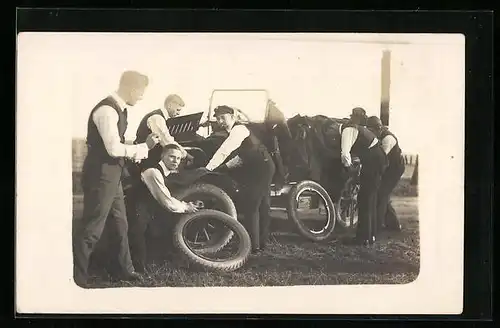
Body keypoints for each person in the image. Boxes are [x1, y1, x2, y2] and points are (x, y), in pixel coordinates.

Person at [73, 70, 161, 287]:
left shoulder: (118, 109)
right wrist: (145, 147)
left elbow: (114, 146)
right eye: (141, 92)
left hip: (112, 174)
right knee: (93, 227)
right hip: (102, 174)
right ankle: (78, 278)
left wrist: (141, 148)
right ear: (131, 89)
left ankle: (124, 270)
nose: (141, 97)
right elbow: (113, 148)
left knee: (120, 224)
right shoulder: (107, 110)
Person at [204, 105, 276, 253]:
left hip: (261, 168)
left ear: (233, 116)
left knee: (253, 206)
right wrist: (224, 168)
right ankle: (261, 243)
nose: (220, 121)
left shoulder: (239, 130)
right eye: (218, 119)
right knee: (262, 205)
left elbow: (225, 151)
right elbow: (241, 156)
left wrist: (208, 169)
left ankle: (252, 246)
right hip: (260, 165)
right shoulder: (236, 130)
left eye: (223, 118)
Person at [129, 144, 199, 273]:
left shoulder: (167, 171)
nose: (175, 161)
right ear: (162, 156)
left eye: (178, 158)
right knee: (138, 238)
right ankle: (138, 269)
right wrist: (185, 206)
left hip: (149, 206)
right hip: (135, 207)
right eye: (171, 157)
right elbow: (166, 201)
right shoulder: (153, 171)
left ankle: (163, 259)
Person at [339, 110, 388, 246]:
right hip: (378, 159)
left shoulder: (349, 129)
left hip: (373, 162)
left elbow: (345, 154)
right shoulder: (361, 130)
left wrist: (347, 168)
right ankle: (370, 236)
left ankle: (362, 238)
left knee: (365, 199)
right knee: (370, 200)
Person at [366, 116, 405, 231]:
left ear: (379, 128)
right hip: (387, 167)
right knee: (383, 194)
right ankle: (393, 224)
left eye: (372, 131)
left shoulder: (388, 138)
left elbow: (381, 158)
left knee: (382, 193)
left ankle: (377, 225)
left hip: (395, 168)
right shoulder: (378, 135)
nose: (371, 134)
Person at [134, 94, 190, 170]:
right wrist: (186, 155)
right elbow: (167, 142)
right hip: (145, 160)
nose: (178, 113)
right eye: (178, 110)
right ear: (170, 105)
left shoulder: (160, 117)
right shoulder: (157, 118)